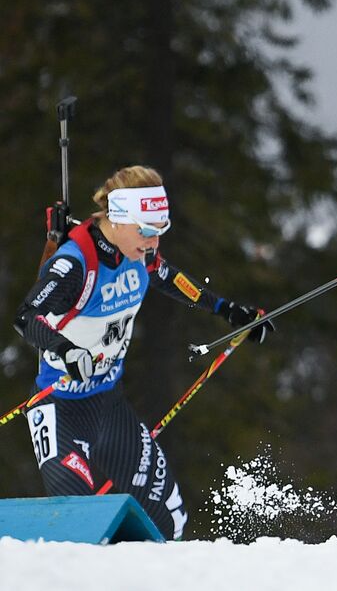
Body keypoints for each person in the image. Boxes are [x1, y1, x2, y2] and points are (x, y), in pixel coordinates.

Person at [12, 165, 274, 539]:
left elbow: (179, 283)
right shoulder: (75, 263)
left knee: (170, 520)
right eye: (146, 231)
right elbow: (25, 317)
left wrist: (229, 311)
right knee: (76, 523)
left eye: (160, 231)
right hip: (61, 412)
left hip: (110, 409)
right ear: (118, 219)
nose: (153, 242)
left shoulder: (141, 255)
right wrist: (66, 351)